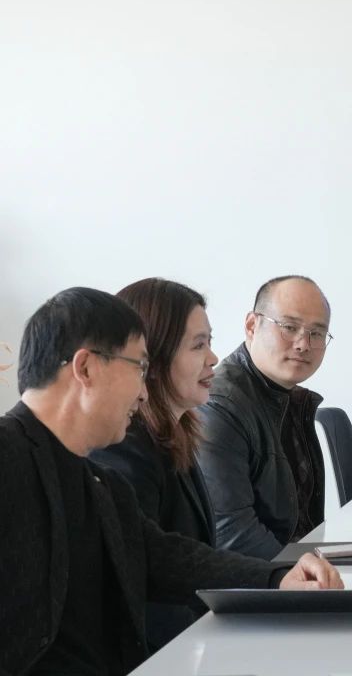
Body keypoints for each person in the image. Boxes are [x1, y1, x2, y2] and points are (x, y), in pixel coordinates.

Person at [0, 287, 342, 676]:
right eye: (139, 367)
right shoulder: (9, 457)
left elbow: (163, 557)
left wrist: (277, 577)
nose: (144, 391)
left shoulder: (96, 481)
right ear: (86, 368)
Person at [88, 279, 219, 650]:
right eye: (198, 345)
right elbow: (145, 578)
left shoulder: (175, 433)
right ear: (154, 360)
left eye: (210, 342)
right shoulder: (124, 449)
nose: (213, 358)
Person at [197, 275, 332, 558]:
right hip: (259, 578)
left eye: (317, 333)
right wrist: (300, 572)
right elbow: (231, 534)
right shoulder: (219, 406)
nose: (303, 344)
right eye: (289, 327)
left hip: (291, 567)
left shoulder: (290, 398)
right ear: (251, 325)